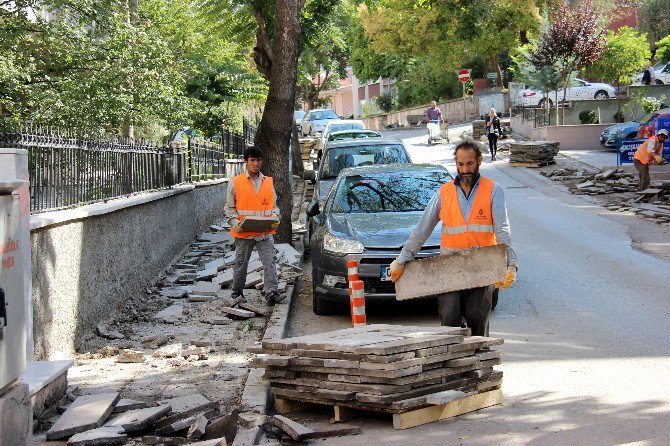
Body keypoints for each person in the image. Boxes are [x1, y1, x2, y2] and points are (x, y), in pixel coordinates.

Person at [389, 141, 517, 336]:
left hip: (481, 264)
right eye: (461, 164)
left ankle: (478, 360)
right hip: (449, 265)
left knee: (477, 318)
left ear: (479, 161)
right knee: (449, 318)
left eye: (470, 164)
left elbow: (502, 230)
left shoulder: (493, 190)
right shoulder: (444, 192)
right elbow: (423, 229)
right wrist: (402, 259)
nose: (465, 170)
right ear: (455, 163)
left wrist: (511, 264)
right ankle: (452, 363)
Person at [225, 146, 284, 305]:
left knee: (270, 261)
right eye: (252, 160)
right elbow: (229, 208)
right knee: (240, 264)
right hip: (244, 232)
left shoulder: (268, 182)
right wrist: (234, 222)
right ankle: (237, 293)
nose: (256, 163)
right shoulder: (236, 182)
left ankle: (271, 293)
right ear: (246, 162)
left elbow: (274, 206)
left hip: (264, 232)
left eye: (258, 160)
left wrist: (275, 216)